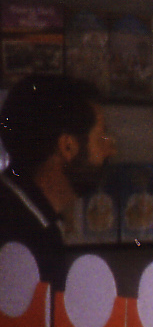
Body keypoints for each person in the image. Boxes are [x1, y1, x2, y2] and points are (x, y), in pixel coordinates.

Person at [0, 74, 115, 290]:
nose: (110, 150)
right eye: (101, 137)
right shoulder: (28, 238)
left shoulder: (22, 213)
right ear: (68, 147)